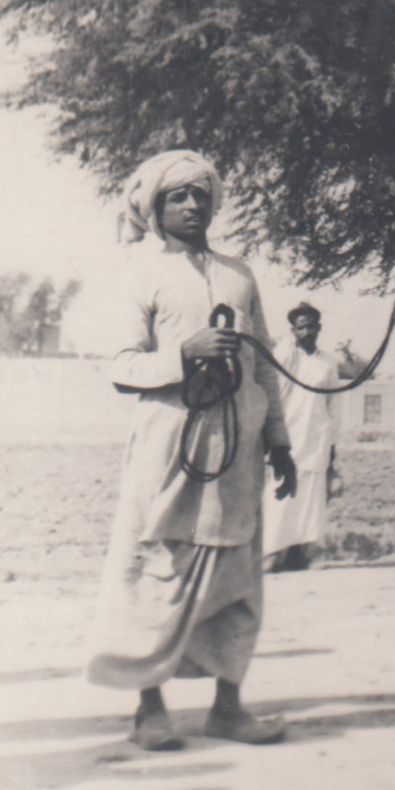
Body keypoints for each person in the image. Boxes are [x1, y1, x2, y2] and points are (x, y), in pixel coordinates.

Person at [87, 150, 296, 750]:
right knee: (156, 571)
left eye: (200, 194)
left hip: (239, 447)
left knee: (238, 574)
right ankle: (148, 708)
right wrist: (185, 354)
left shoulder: (239, 273)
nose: (191, 205)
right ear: (154, 208)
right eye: (177, 196)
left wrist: (279, 442)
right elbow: (122, 367)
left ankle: (228, 707)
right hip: (168, 445)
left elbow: (264, 367)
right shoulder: (138, 272)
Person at [262, 303, 342, 573]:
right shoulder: (284, 355)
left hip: (315, 437)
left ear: (319, 328)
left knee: (308, 499)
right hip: (287, 438)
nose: (306, 331)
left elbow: (334, 406)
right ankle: (273, 555)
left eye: (311, 326)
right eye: (301, 327)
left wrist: (332, 446)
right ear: (293, 330)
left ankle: (300, 555)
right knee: (280, 499)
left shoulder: (328, 362)